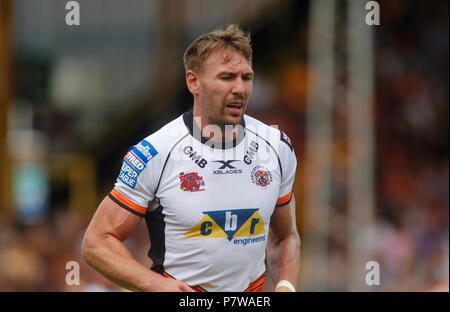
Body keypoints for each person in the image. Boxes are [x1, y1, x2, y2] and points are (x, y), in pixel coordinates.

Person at [82, 24, 300, 292]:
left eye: (247, 77)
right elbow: (96, 242)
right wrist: (154, 285)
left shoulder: (277, 147)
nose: (240, 88)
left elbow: (286, 235)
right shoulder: (155, 152)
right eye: (226, 77)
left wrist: (286, 286)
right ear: (193, 81)